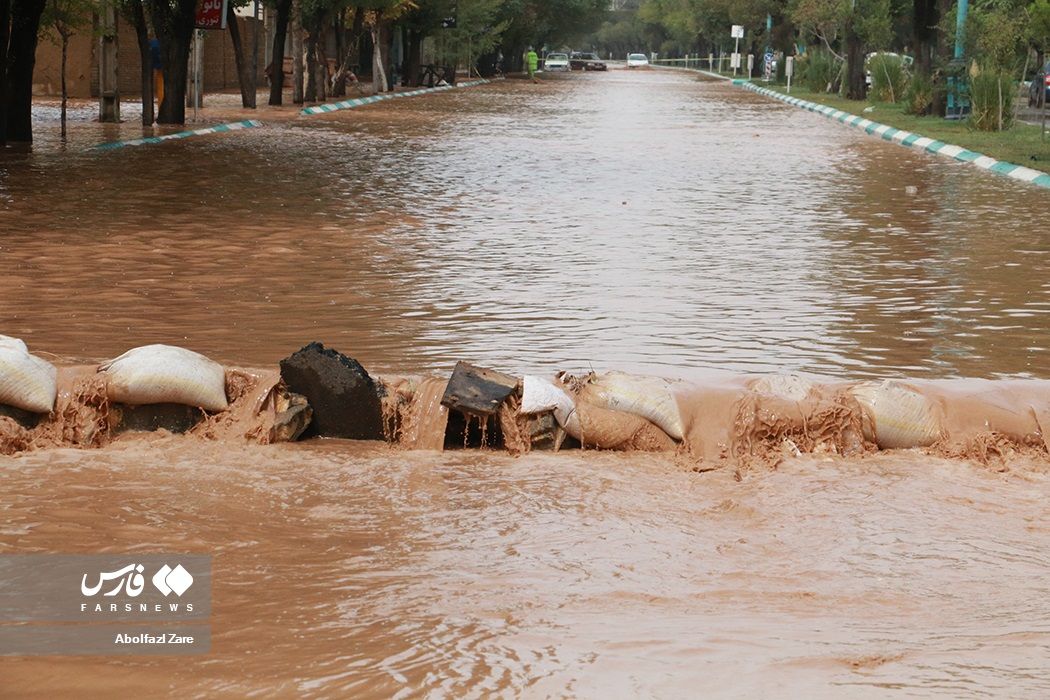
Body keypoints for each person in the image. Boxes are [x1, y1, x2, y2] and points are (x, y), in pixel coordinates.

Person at [150, 38, 163, 118]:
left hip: (159, 68)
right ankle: (161, 110)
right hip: (163, 68)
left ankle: (160, 110)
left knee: (160, 90)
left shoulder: (153, 44)